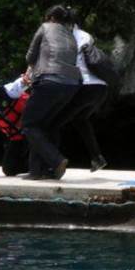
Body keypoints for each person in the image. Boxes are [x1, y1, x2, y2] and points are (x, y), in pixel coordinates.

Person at [22, 4, 81, 180]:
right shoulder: (71, 35)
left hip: (49, 80)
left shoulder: (45, 27)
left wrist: (30, 70)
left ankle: (56, 160)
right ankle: (38, 171)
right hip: (71, 85)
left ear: (51, 18)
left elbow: (30, 57)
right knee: (45, 126)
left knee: (28, 124)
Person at [50, 19, 108, 172]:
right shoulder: (84, 35)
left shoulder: (67, 38)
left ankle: (54, 163)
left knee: (54, 123)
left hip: (86, 87)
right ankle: (96, 157)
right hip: (101, 88)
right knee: (80, 119)